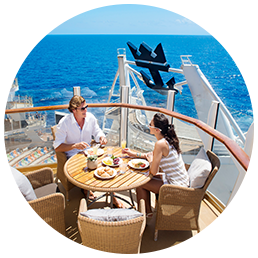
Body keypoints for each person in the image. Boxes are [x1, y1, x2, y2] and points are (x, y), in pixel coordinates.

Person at [53, 95, 124, 208]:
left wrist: (101, 137)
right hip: (73, 155)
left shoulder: (90, 118)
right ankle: (86, 189)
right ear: (73, 110)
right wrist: (75, 146)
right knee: (91, 166)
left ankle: (111, 194)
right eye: (82, 108)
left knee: (106, 164)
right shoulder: (64, 123)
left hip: (89, 152)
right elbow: (57, 147)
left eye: (86, 107)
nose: (85, 110)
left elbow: (97, 131)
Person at [122, 113, 189, 217]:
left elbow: (153, 171)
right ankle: (146, 214)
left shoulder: (160, 144)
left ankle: (144, 215)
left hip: (177, 187)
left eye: (150, 124)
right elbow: (150, 155)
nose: (148, 126)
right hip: (179, 181)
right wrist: (133, 154)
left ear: (157, 130)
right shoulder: (168, 139)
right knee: (141, 181)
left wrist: (150, 160)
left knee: (139, 183)